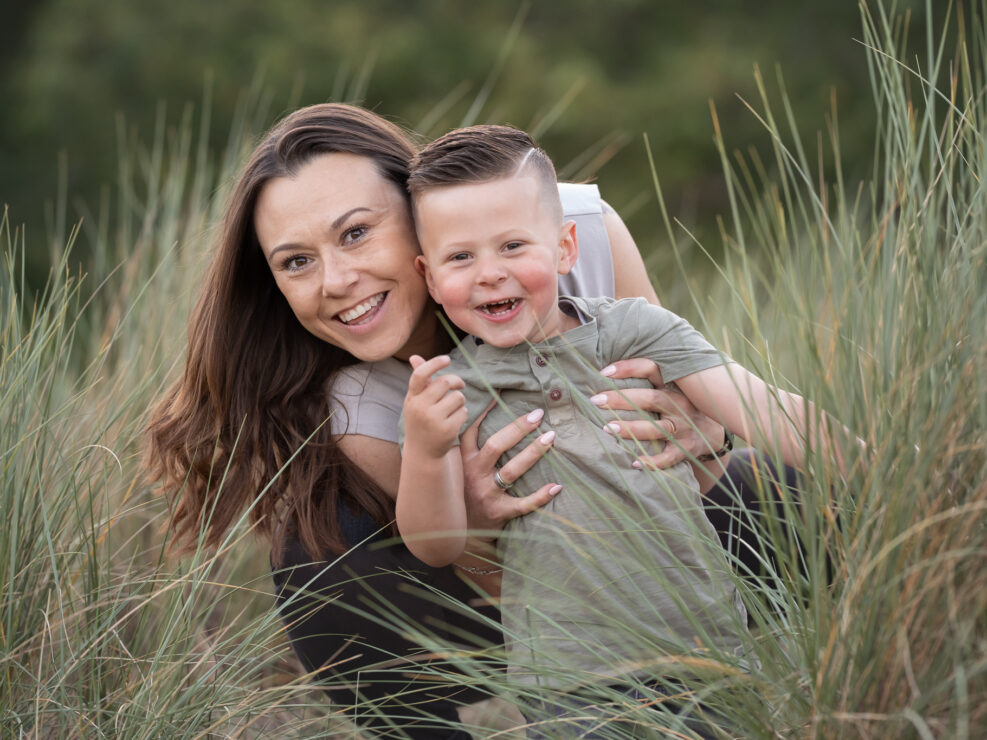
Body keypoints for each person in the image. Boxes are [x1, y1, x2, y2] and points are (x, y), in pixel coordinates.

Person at [145, 103, 797, 739]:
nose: (336, 279)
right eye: (296, 261)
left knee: (778, 483)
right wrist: (481, 522)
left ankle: (842, 668)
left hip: (652, 530)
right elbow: (488, 571)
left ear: (418, 208)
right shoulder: (359, 401)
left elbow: (684, 400)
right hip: (507, 598)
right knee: (315, 551)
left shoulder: (579, 228)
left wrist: (702, 433)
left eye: (355, 232)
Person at [397, 124, 860, 735]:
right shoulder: (451, 388)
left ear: (565, 248)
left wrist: (885, 464)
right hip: (566, 675)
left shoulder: (637, 332)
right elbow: (435, 545)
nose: (489, 273)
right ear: (430, 278)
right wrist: (428, 450)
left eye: (513, 246)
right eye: (461, 257)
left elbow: (762, 408)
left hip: (704, 646)